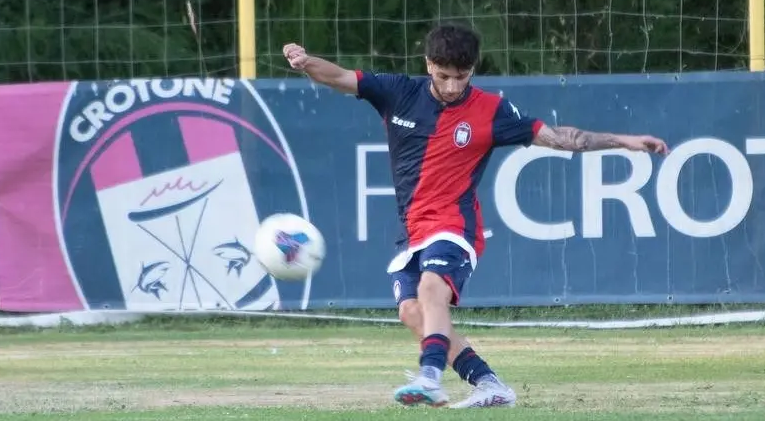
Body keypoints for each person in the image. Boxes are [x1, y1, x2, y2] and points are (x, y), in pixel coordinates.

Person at [282, 23, 668, 409]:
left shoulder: (492, 110)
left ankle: (430, 376)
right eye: (443, 75)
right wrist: (305, 62)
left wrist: (627, 142)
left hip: (454, 226)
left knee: (433, 290)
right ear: (428, 63)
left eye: (461, 77)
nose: (452, 86)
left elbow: (563, 138)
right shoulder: (398, 92)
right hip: (413, 230)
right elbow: (339, 77)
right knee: (412, 312)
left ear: (472, 70)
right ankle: (489, 384)